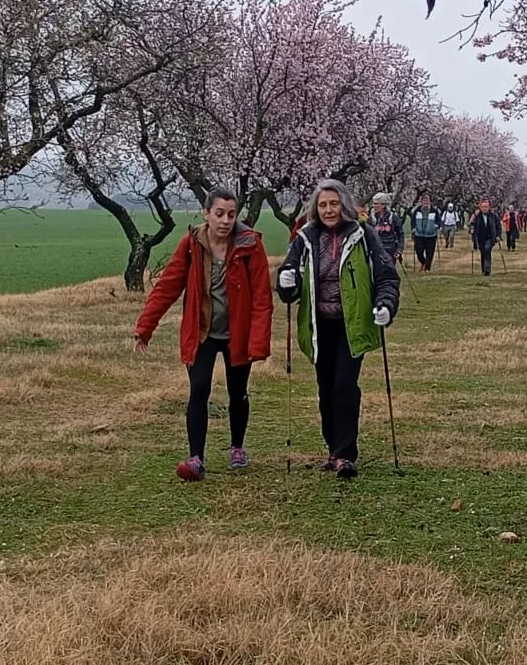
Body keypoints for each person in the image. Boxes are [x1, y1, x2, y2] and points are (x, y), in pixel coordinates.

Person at [134, 190, 274, 482]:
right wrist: (145, 327)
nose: (225, 220)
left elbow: (262, 298)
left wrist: (258, 342)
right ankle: (196, 458)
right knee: (199, 390)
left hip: (237, 332)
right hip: (202, 332)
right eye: (219, 213)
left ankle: (237, 447)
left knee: (238, 391)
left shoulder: (251, 245)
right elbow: (168, 286)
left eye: (231, 214)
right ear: (206, 213)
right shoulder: (191, 244)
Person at [276, 178, 399, 479]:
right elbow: (288, 279)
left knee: (345, 386)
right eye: (323, 205)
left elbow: (386, 277)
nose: (329, 210)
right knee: (326, 388)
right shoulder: (305, 238)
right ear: (315, 209)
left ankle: (346, 453)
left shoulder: (364, 235)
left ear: (344, 205)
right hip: (318, 326)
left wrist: (385, 305)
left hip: (351, 323)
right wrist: (285, 282)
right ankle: (333, 448)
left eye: (334, 204)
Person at [368, 192, 404, 267]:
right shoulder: (371, 219)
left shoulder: (393, 218)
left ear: (384, 205)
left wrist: (399, 249)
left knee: (389, 272)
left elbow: (400, 234)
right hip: (376, 250)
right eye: (374, 204)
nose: (374, 206)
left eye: (377, 204)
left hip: (390, 249)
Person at [409, 191, 440, 271]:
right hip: (419, 234)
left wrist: (436, 226)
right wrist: (413, 228)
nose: (425, 202)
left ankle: (427, 268)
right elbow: (412, 221)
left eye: (427, 200)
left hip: (431, 235)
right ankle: (423, 262)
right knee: (418, 251)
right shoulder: (417, 211)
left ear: (430, 201)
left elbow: (439, 221)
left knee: (430, 252)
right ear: (421, 201)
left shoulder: (434, 211)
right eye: (424, 200)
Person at [471, 198, 502, 276]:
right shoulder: (477, 216)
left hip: (490, 237)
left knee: (487, 250)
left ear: (489, 208)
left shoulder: (493, 216)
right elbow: (472, 224)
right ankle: (483, 269)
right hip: (480, 238)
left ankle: (487, 269)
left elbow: (498, 226)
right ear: (480, 208)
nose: (484, 209)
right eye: (483, 207)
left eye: (486, 207)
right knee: (483, 252)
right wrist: (471, 230)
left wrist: (498, 236)